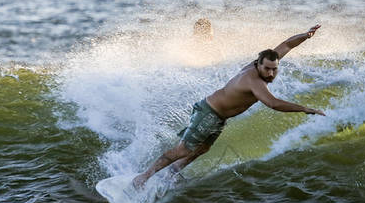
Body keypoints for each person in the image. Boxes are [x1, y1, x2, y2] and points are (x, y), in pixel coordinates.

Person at [134, 24, 326, 188]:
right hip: (209, 112)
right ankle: (143, 177)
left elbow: (286, 45)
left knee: (201, 149)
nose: (270, 73)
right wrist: (305, 108)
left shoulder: (266, 63)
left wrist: (305, 36)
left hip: (218, 117)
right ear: (258, 64)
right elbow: (273, 103)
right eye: (267, 69)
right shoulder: (254, 80)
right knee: (183, 149)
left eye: (274, 69)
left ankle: (171, 174)